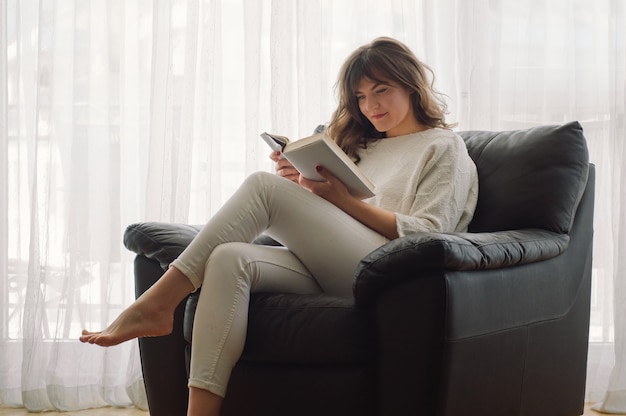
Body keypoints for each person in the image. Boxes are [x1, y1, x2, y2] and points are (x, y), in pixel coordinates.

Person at [80, 37, 479, 416]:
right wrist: (305, 188)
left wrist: (336, 199)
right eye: (360, 96)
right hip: (337, 263)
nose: (370, 105)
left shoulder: (442, 147)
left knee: (260, 186)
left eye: (381, 90)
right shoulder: (362, 145)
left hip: (388, 273)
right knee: (229, 257)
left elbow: (428, 234)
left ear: (411, 85)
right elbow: (340, 216)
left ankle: (157, 303)